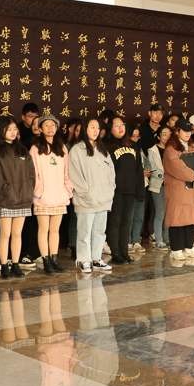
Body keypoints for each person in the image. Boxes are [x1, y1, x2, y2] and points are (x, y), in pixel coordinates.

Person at [0, 115, 36, 279]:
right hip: (5, 199)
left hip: (23, 198)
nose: (13, 132)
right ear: (1, 131)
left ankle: (15, 264)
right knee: (5, 233)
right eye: (9, 129)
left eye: (15, 129)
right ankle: (4, 265)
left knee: (17, 233)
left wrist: (28, 191)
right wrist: (7, 191)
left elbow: (31, 174)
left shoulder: (22, 149)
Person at [68, 117, 115, 273]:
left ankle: (96, 258)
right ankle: (83, 259)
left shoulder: (103, 150)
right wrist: (86, 193)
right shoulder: (77, 150)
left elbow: (111, 172)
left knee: (99, 231)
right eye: (92, 127)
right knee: (85, 232)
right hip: (86, 200)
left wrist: (110, 190)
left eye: (97, 128)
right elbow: (74, 175)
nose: (95, 131)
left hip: (103, 199)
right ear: (84, 129)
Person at [162, 119, 194, 261]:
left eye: (190, 131)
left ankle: (189, 246)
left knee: (191, 218)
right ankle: (176, 249)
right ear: (177, 131)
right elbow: (177, 167)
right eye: (185, 131)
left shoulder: (193, 147)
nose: (188, 133)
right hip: (178, 189)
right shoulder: (170, 149)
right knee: (177, 218)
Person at [31, 115, 72, 274]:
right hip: (43, 196)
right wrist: (38, 191)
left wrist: (67, 190)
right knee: (43, 229)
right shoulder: (35, 148)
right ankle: (46, 261)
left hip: (59, 195)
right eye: (46, 125)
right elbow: (33, 173)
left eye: (53, 125)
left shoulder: (62, 148)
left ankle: (54, 260)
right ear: (40, 129)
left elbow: (67, 172)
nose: (50, 128)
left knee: (55, 230)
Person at [105, 116, 140, 264]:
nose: (120, 128)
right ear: (110, 129)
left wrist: (139, 190)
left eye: (122, 125)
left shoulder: (133, 145)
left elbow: (138, 169)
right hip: (115, 191)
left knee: (127, 222)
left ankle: (124, 252)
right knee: (115, 222)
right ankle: (116, 253)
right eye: (116, 125)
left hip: (130, 190)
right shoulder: (107, 146)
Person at [128, 125, 150, 253]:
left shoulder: (140, 149)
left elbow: (146, 163)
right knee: (129, 216)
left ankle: (136, 240)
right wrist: (140, 173)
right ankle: (128, 241)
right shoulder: (125, 149)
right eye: (133, 136)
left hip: (142, 185)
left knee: (139, 215)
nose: (135, 139)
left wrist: (147, 170)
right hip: (130, 186)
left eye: (138, 136)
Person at [147, 126, 170, 250]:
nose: (167, 137)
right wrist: (164, 176)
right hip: (158, 185)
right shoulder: (152, 150)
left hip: (171, 186)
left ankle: (167, 239)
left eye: (169, 134)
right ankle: (159, 240)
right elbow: (152, 169)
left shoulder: (172, 150)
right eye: (164, 134)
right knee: (160, 212)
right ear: (159, 136)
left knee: (168, 213)